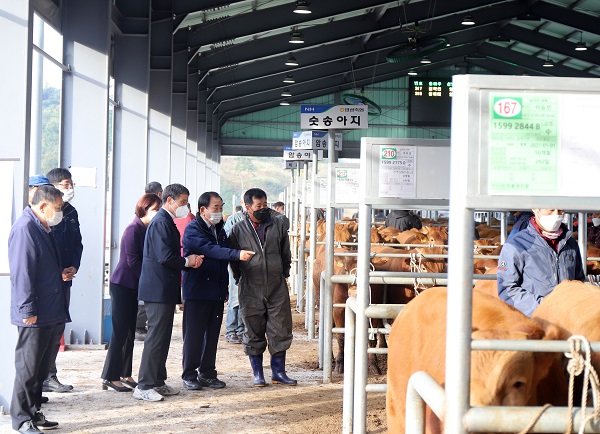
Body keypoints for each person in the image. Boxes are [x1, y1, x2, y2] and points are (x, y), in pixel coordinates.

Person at [133, 183, 203, 401]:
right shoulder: (161, 222)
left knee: (162, 338)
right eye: (182, 202)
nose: (185, 207)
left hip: (164, 288)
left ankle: (157, 381)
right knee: (155, 338)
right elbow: (165, 257)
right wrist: (187, 262)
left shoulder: (167, 221)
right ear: (170, 200)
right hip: (157, 289)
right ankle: (143, 385)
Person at [9, 185, 69, 433]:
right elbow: (22, 274)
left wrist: (60, 274)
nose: (59, 213)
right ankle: (22, 419)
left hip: (50, 309)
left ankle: (34, 413)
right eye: (57, 208)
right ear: (43, 206)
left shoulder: (42, 226)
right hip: (35, 313)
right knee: (28, 368)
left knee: (40, 368)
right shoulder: (25, 229)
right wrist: (27, 309)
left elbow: (41, 266)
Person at [180, 192, 254, 390]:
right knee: (194, 335)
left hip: (216, 290)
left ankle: (207, 373)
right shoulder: (193, 230)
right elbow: (211, 250)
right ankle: (189, 374)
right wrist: (236, 254)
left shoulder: (220, 229)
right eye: (215, 207)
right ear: (203, 210)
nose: (219, 211)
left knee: (212, 335)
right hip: (197, 291)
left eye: (221, 207)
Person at [229, 188, 296, 387]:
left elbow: (286, 252)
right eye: (259, 206)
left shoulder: (277, 226)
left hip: (276, 286)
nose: (263, 209)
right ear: (248, 208)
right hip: (251, 286)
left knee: (280, 328)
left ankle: (279, 373)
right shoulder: (238, 230)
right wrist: (240, 278)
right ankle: (258, 374)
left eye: (265, 205)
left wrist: (284, 273)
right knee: (253, 329)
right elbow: (233, 258)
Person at [100, 194, 162, 392]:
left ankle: (125, 373)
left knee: (129, 333)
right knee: (120, 332)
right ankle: (110, 376)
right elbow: (132, 262)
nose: (158, 212)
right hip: (122, 285)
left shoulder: (145, 229)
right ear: (143, 209)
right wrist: (149, 279)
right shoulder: (132, 229)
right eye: (154, 209)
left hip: (133, 286)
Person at [498, 208, 585, 317]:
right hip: (533, 320)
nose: (556, 214)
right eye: (551, 209)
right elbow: (506, 289)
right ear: (535, 209)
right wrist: (544, 306)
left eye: (561, 210)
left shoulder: (570, 243)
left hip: (567, 318)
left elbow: (579, 280)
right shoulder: (516, 244)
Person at [43, 168, 83, 394]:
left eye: (71, 184)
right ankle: (44, 377)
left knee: (58, 325)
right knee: (46, 329)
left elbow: (77, 243)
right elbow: (44, 250)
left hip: (66, 278)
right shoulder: (45, 214)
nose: (70, 188)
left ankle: (49, 375)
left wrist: (73, 267)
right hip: (48, 281)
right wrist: (56, 272)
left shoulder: (71, 211)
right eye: (65, 184)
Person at [223, 205, 246, 344]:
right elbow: (229, 241)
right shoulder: (234, 219)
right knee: (235, 297)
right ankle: (231, 330)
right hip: (235, 261)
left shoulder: (256, 221)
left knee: (245, 298)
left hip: (250, 264)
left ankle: (241, 329)